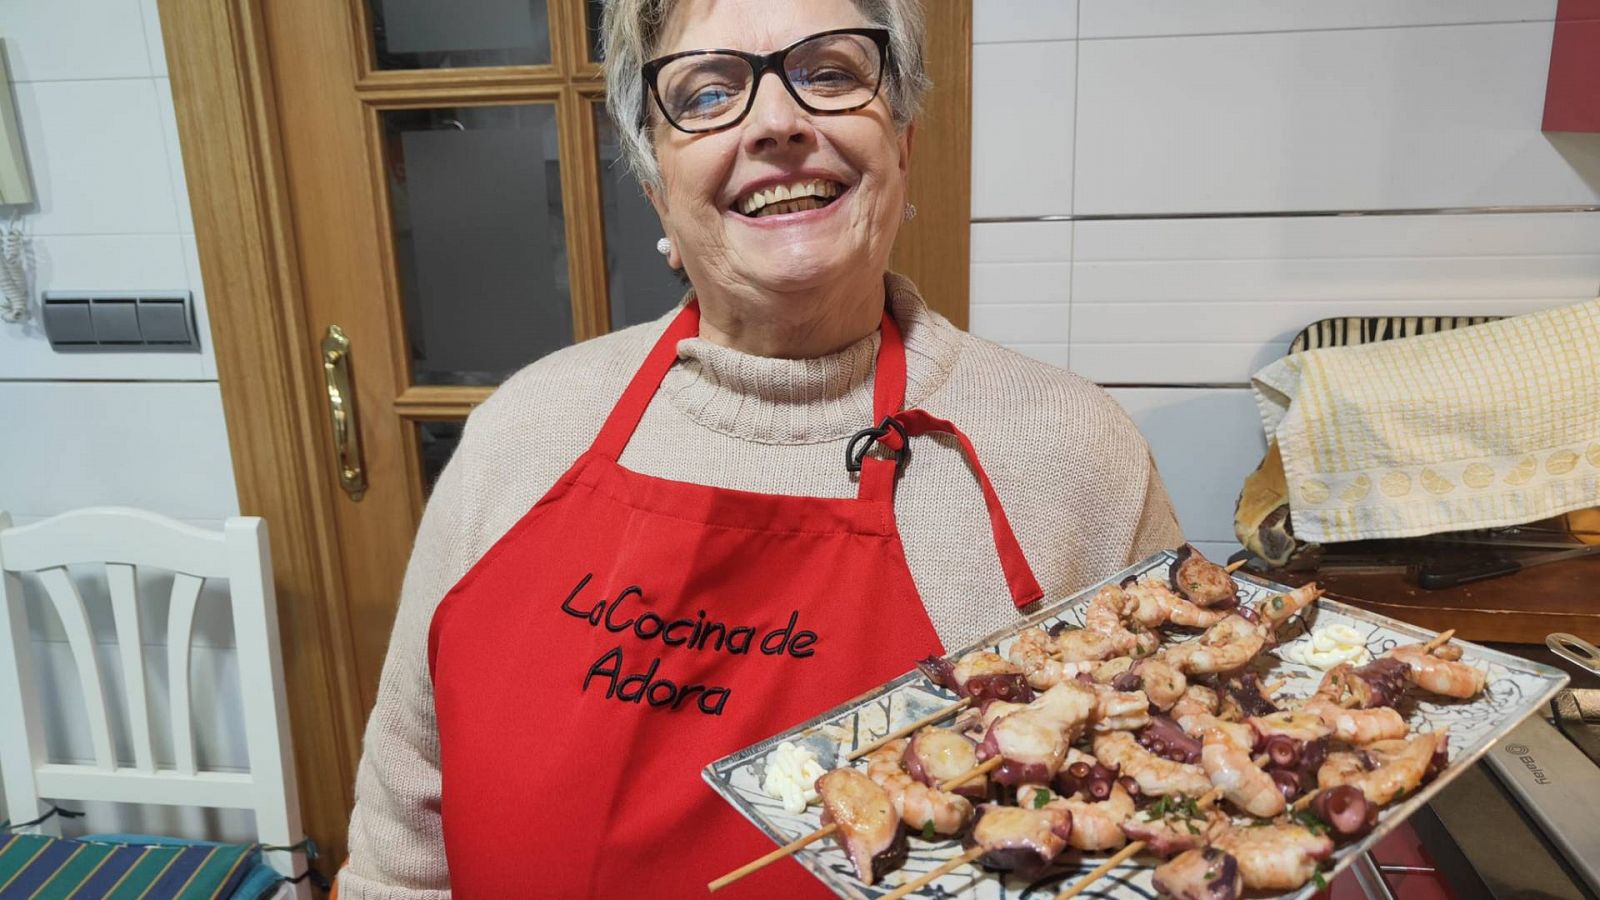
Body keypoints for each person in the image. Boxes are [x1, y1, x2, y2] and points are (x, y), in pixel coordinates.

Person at [339, 0, 1184, 896]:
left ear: (904, 146)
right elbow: (401, 846)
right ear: (656, 185)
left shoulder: (1071, 451)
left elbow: (1170, 820)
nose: (779, 122)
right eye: (706, 93)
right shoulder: (525, 430)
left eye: (829, 72)